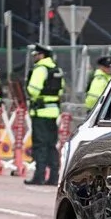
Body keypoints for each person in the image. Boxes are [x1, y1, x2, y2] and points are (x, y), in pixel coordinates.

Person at [25, 44, 64, 186]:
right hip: (53, 112)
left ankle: (39, 176)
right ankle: (54, 176)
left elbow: (33, 90)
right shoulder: (56, 70)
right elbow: (60, 91)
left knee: (40, 145)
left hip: (40, 112)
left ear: (42, 55)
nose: (35, 58)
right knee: (51, 145)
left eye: (36, 55)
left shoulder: (40, 69)